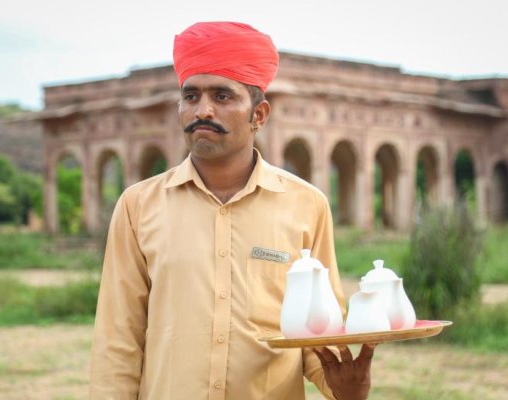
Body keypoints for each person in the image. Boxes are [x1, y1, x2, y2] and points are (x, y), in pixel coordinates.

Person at [89, 21, 375, 400]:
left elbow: (316, 332)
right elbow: (118, 339)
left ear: (259, 115)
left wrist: (342, 387)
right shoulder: (138, 205)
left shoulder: (306, 205)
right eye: (191, 97)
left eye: (222, 97)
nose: (202, 110)